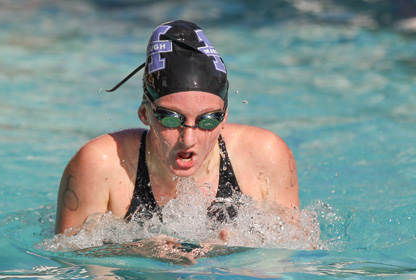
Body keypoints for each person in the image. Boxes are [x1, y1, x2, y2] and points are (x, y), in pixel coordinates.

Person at [55, 20, 299, 237]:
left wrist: (242, 255)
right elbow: (69, 264)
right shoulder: (100, 164)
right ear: (144, 114)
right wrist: (138, 253)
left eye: (208, 120)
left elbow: (298, 253)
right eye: (171, 119)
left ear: (225, 117)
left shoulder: (265, 155)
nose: (188, 138)